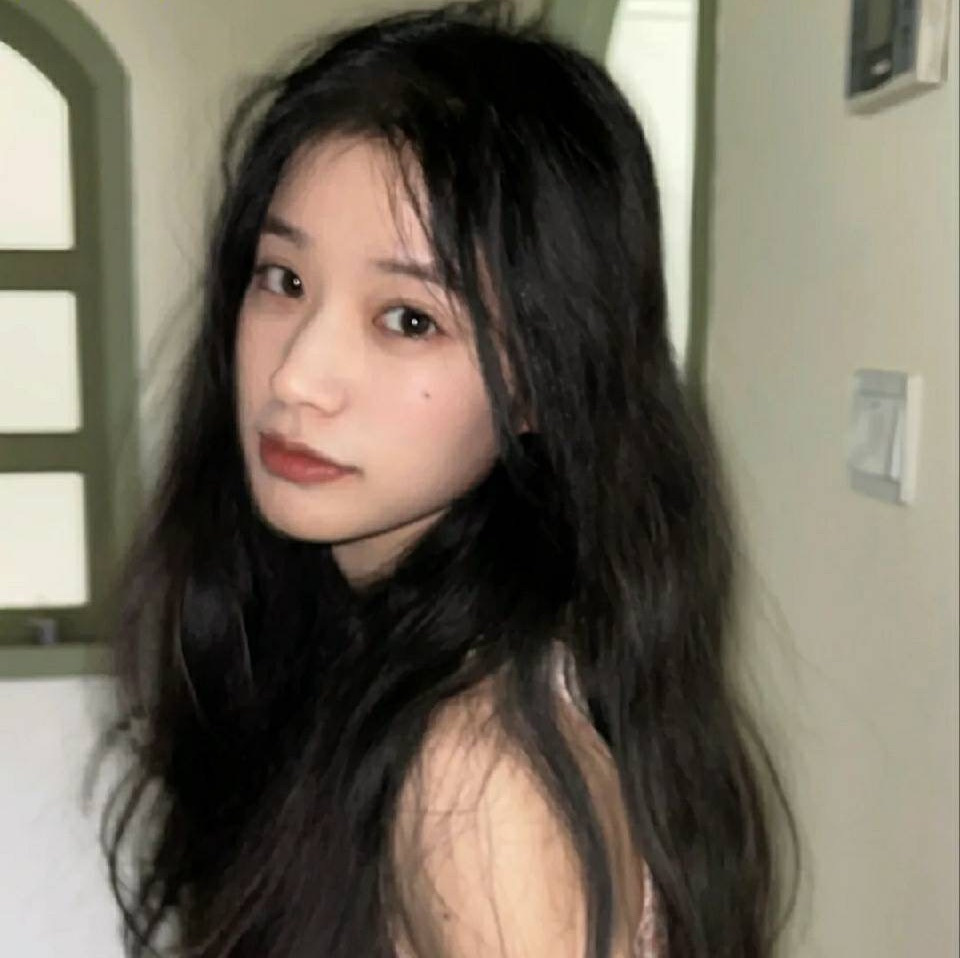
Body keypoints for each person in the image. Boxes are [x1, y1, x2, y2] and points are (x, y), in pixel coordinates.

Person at [95, 2, 796, 956]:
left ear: (543, 380)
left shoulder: (477, 776)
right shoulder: (377, 638)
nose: (296, 377)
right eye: (283, 279)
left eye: (409, 319)